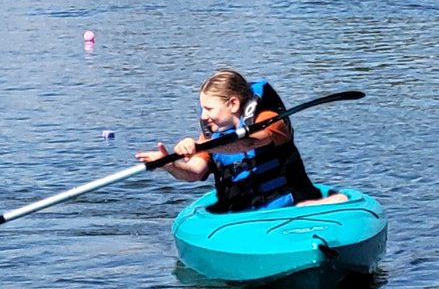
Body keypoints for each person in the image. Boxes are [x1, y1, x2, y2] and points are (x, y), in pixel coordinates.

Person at [139, 70, 342, 211]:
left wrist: (201, 146)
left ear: (233, 103)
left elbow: (252, 142)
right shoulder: (209, 136)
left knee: (333, 202)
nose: (203, 116)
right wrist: (169, 164)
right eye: (202, 109)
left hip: (290, 206)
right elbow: (193, 173)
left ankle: (332, 206)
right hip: (246, 216)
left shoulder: (269, 121)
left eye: (209, 109)